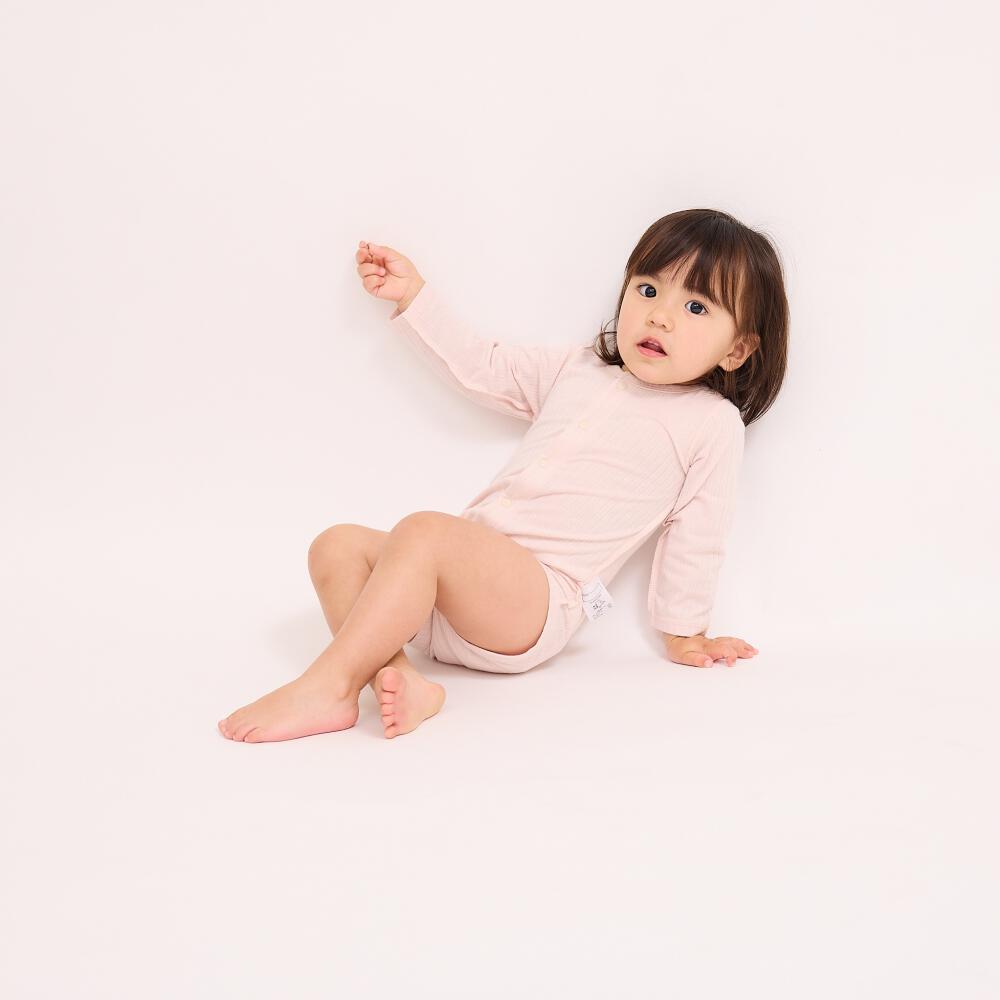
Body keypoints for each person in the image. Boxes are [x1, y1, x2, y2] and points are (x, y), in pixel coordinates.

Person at [218, 208, 789, 743]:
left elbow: (700, 529)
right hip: (449, 598)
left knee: (425, 531)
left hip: (535, 606)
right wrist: (414, 296)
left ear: (737, 350)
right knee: (336, 544)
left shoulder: (710, 422)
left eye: (696, 308)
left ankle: (330, 686)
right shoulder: (579, 368)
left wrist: (686, 631)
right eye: (647, 290)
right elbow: (482, 367)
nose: (660, 315)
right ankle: (399, 679)